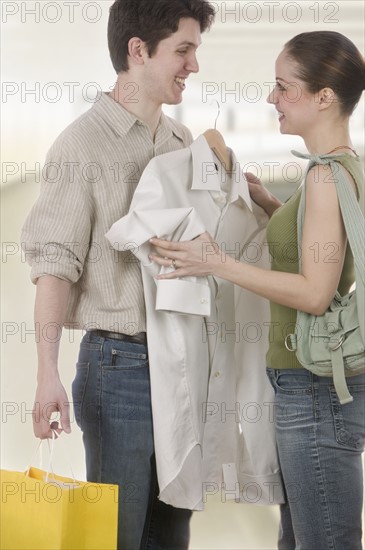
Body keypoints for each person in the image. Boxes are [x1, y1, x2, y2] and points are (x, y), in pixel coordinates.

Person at [149, 31, 365, 550]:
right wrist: (272, 206)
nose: (272, 99)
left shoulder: (322, 178)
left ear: (323, 97)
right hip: (313, 388)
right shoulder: (340, 169)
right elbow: (324, 253)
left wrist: (217, 261)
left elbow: (315, 292)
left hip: (311, 392)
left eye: (283, 87)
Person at [21, 0, 215, 548]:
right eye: (183, 50)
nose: (193, 66)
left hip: (180, 360)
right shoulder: (80, 145)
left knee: (173, 529)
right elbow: (54, 266)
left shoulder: (183, 145)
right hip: (118, 366)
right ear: (138, 50)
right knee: (118, 536)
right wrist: (46, 373)